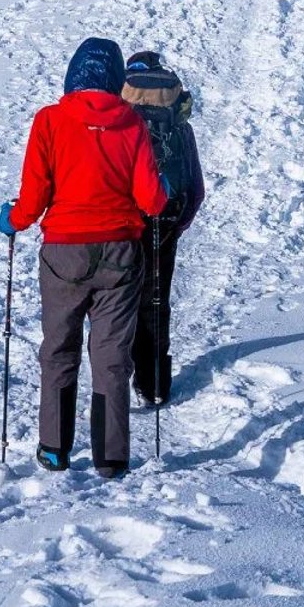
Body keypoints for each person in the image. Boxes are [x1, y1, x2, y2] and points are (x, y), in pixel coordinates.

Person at [0, 38, 168, 479]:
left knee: (59, 349)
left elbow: (34, 196)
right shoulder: (131, 123)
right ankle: (110, 457)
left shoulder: (50, 121)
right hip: (120, 253)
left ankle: (54, 448)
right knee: (112, 356)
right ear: (115, 78)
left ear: (73, 74)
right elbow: (152, 201)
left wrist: (12, 219)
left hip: (63, 254)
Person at [121, 52, 206, 408]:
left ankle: (113, 375)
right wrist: (179, 223)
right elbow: (196, 188)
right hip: (166, 219)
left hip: (123, 218)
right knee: (156, 300)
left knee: (117, 299)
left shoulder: (120, 115)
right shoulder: (177, 122)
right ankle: (153, 384)